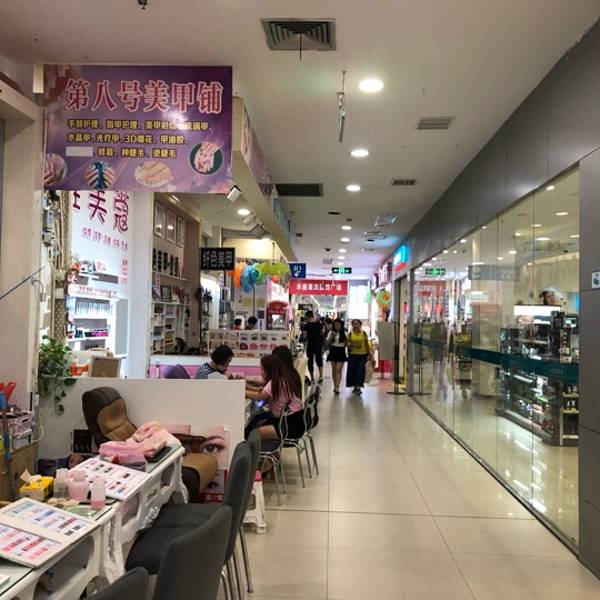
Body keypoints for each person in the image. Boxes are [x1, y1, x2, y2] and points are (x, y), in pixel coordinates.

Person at [246, 355, 305, 440]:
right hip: (295, 420)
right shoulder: (283, 379)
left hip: (289, 425)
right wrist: (246, 388)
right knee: (258, 424)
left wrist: (241, 391)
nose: (261, 372)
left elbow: (259, 396)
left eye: (262, 369)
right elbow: (262, 391)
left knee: (253, 434)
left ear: (269, 370)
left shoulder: (275, 382)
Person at [346, 319, 372, 394]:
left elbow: (366, 344)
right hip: (352, 355)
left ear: (360, 325)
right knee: (352, 371)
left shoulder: (364, 333)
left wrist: (369, 353)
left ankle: (358, 387)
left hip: (362, 355)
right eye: (354, 324)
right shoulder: (350, 334)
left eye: (357, 323)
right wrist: (350, 344)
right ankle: (355, 386)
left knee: (360, 371)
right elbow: (347, 344)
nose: (355, 325)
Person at [326, 319, 347, 394]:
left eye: (338, 324)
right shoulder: (331, 332)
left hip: (341, 351)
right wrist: (331, 337)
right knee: (334, 370)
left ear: (341, 325)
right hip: (333, 351)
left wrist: (347, 342)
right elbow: (327, 343)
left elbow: (346, 344)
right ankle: (335, 385)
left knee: (338, 370)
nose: (337, 326)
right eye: (335, 325)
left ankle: (337, 387)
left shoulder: (345, 333)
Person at [302, 310, 324, 383]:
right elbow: (322, 334)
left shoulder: (306, 326)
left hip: (310, 345)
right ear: (313, 316)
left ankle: (312, 378)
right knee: (319, 359)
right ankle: (321, 376)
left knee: (310, 361)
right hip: (318, 345)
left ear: (307, 317)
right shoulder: (319, 324)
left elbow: (305, 336)